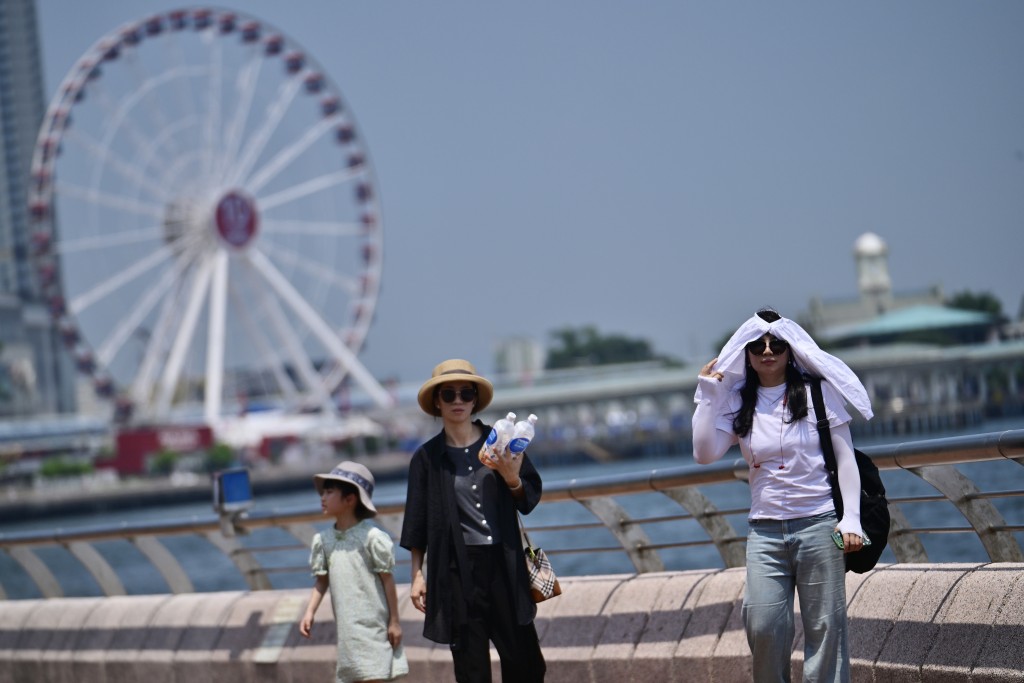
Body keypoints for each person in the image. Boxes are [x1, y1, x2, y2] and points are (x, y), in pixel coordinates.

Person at [691, 308, 874, 683]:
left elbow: (846, 457)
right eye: (758, 345)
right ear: (746, 352)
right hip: (765, 532)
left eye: (776, 344)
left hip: (819, 524)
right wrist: (708, 394)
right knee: (762, 626)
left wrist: (851, 518)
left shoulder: (817, 394)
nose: (767, 351)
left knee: (826, 630)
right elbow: (704, 453)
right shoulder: (738, 402)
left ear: (791, 350)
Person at [400, 359, 546, 682]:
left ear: (475, 399)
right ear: (437, 402)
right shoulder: (425, 459)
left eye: (466, 393)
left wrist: (511, 478)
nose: (458, 401)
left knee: (527, 665)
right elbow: (416, 522)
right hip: (456, 573)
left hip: (505, 566)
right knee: (471, 671)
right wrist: (416, 576)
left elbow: (529, 497)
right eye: (448, 394)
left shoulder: (503, 442)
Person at [300, 461, 409, 683]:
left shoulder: (372, 538)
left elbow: (387, 580)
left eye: (329, 492)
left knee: (374, 674)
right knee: (355, 674)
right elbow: (322, 581)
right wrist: (309, 611)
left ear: (350, 499)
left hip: (373, 626)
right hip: (348, 630)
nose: (323, 497)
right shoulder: (324, 540)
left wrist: (394, 622)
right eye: (323, 492)